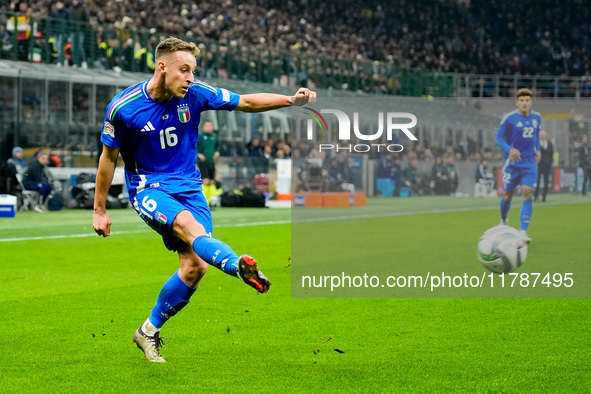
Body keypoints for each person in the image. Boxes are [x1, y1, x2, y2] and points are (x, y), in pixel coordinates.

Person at [93, 37, 316, 363]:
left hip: (190, 187)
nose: (190, 78)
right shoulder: (123, 108)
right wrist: (100, 209)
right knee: (190, 228)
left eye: (193, 71)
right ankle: (236, 266)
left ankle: (147, 332)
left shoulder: (195, 94)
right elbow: (108, 159)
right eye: (184, 70)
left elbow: (246, 102)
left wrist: (290, 101)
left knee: (195, 267)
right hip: (149, 189)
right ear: (162, 67)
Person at [496, 88, 541, 243]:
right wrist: (510, 150)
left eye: (527, 100)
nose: (524, 103)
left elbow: (536, 135)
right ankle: (503, 220)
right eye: (521, 100)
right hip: (512, 164)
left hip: (529, 164)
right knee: (507, 196)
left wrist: (538, 149)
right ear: (517, 102)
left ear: (531, 102)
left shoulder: (537, 118)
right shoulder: (509, 118)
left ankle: (523, 232)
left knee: (528, 194)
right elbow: (498, 138)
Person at [196, 120, 219, 204]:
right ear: (204, 127)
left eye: (210, 126)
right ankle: (204, 202)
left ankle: (210, 201)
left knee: (211, 181)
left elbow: (217, 147)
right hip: (203, 162)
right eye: (207, 126)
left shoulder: (214, 136)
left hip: (211, 161)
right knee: (205, 181)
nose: (209, 128)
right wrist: (199, 154)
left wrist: (217, 152)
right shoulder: (200, 136)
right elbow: (194, 147)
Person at [534, 130, 554, 202]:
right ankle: (536, 197)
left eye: (544, 135)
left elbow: (551, 154)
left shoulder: (549, 143)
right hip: (538, 165)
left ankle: (544, 197)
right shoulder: (536, 143)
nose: (542, 136)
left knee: (546, 181)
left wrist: (550, 162)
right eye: (541, 135)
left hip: (547, 166)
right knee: (537, 181)